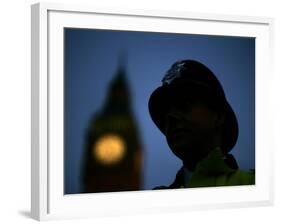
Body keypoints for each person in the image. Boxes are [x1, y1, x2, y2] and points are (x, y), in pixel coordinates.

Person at [148, 59, 255, 189]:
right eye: (165, 115)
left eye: (185, 104)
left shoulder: (257, 185)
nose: (171, 117)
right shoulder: (156, 202)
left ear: (219, 115)